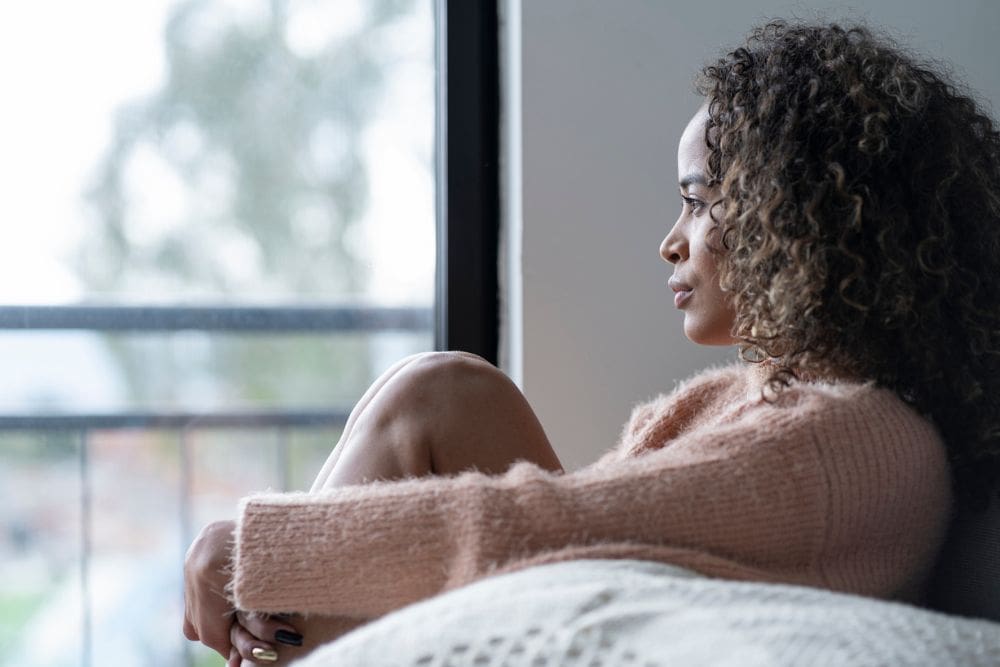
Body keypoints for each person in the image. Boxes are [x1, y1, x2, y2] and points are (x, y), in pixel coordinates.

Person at [184, 20, 1000, 666]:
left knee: (438, 393)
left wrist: (264, 546)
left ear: (804, 212)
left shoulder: (857, 439)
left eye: (699, 200)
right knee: (439, 393)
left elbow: (553, 525)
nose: (672, 241)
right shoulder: (748, 398)